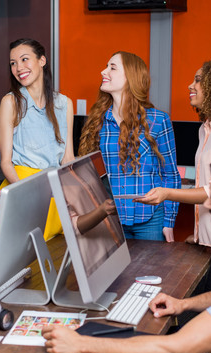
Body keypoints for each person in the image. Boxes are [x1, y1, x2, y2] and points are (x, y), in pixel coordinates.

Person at [42, 156, 211, 353]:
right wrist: (183, 304)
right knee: (94, 333)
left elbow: (175, 351)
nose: (207, 204)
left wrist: (80, 344)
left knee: (80, 343)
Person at [137, 58, 211, 290]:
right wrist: (199, 236)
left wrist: (167, 193)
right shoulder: (207, 129)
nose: (190, 85)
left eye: (199, 80)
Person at [78, 51, 180, 241]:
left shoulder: (158, 120)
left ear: (130, 77)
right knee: (114, 272)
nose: (103, 71)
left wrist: (169, 221)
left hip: (150, 218)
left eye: (112, 67)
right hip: (110, 218)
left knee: (149, 270)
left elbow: (170, 174)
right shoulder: (97, 121)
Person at [0, 38, 74, 254]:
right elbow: (6, 162)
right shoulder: (11, 102)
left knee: (53, 264)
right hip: (21, 191)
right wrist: (27, 196)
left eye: (25, 59)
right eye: (13, 63)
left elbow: (68, 158)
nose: (18, 68)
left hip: (54, 193)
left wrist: (71, 197)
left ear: (42, 60)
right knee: (17, 273)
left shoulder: (64, 104)